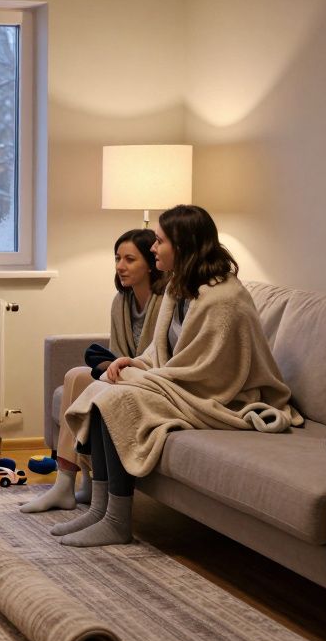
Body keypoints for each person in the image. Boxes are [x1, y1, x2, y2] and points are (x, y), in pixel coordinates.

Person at [53, 205, 301, 546]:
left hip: (221, 395)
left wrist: (148, 379)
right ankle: (99, 510)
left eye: (159, 240)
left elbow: (211, 370)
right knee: (105, 387)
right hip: (185, 383)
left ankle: (116, 522)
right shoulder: (178, 288)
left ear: (182, 245)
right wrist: (135, 363)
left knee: (118, 400)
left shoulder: (223, 298)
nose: (154, 247)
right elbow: (163, 350)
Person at [20, 228, 165, 514]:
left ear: (150, 263)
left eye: (130, 259)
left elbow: (157, 356)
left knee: (83, 373)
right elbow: (118, 350)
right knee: (76, 374)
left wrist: (123, 366)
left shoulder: (165, 302)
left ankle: (71, 484)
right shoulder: (121, 302)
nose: (120, 266)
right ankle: (72, 481)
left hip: (146, 378)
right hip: (123, 372)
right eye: (117, 258)